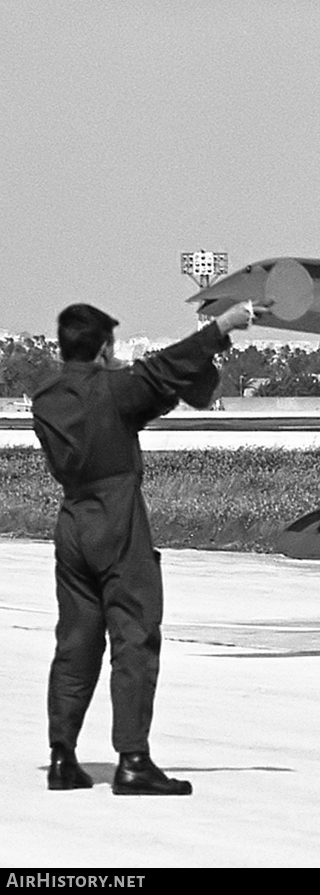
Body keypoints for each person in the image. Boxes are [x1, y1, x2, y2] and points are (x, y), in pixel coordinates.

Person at [32, 299, 259, 795]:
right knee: (134, 638)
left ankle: (62, 757)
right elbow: (158, 372)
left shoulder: (45, 396)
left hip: (72, 522)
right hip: (118, 521)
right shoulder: (114, 388)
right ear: (104, 347)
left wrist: (160, 382)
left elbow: (145, 393)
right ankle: (132, 759)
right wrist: (220, 329)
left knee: (75, 643)